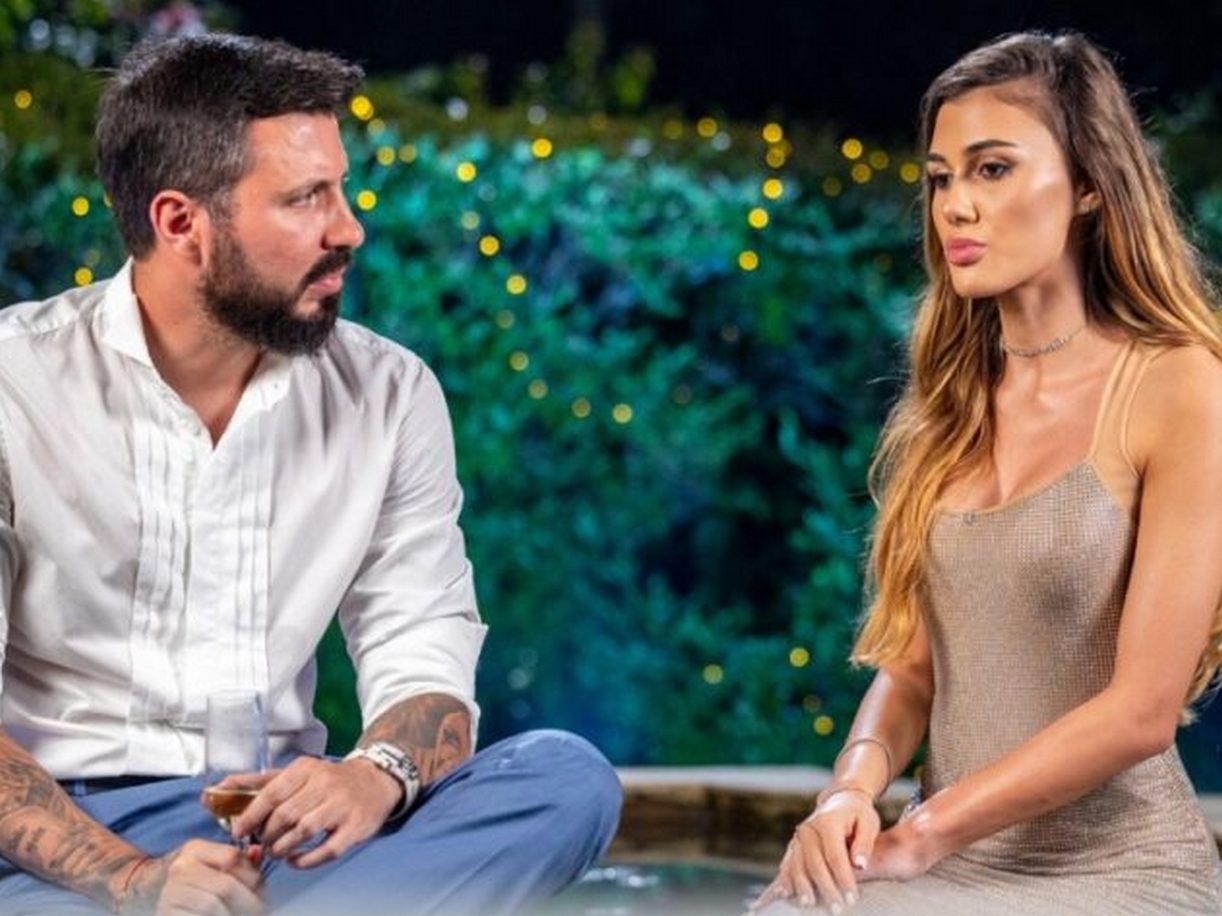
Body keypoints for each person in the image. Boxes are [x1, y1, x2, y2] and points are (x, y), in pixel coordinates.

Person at [0, 32, 621, 916]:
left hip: (282, 830)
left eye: (340, 188)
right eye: (304, 199)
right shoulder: (14, 383)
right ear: (180, 224)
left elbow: (422, 643)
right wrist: (135, 881)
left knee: (565, 779)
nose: (348, 228)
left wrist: (375, 775)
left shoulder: (389, 393)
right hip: (63, 837)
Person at [753, 30, 1222, 916]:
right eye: (940, 179)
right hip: (943, 863)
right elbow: (912, 672)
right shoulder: (948, 407)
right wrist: (849, 793)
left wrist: (922, 834)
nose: (956, 205)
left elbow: (1142, 711)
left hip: (1121, 871)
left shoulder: (1179, 385)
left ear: (1089, 184)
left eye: (992, 169)